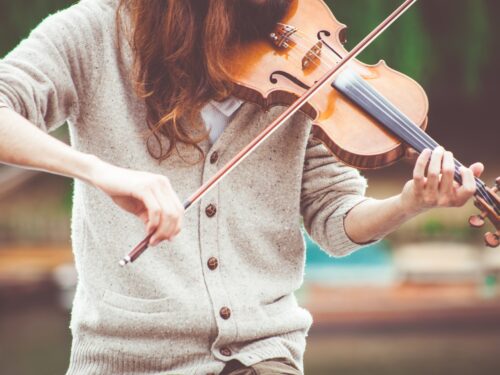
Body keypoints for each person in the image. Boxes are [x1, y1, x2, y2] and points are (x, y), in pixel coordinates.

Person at [0, 0, 483, 374]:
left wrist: (408, 202)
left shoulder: (297, 68)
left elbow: (335, 219)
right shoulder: (95, 32)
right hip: (126, 356)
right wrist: (99, 171)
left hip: (261, 354)